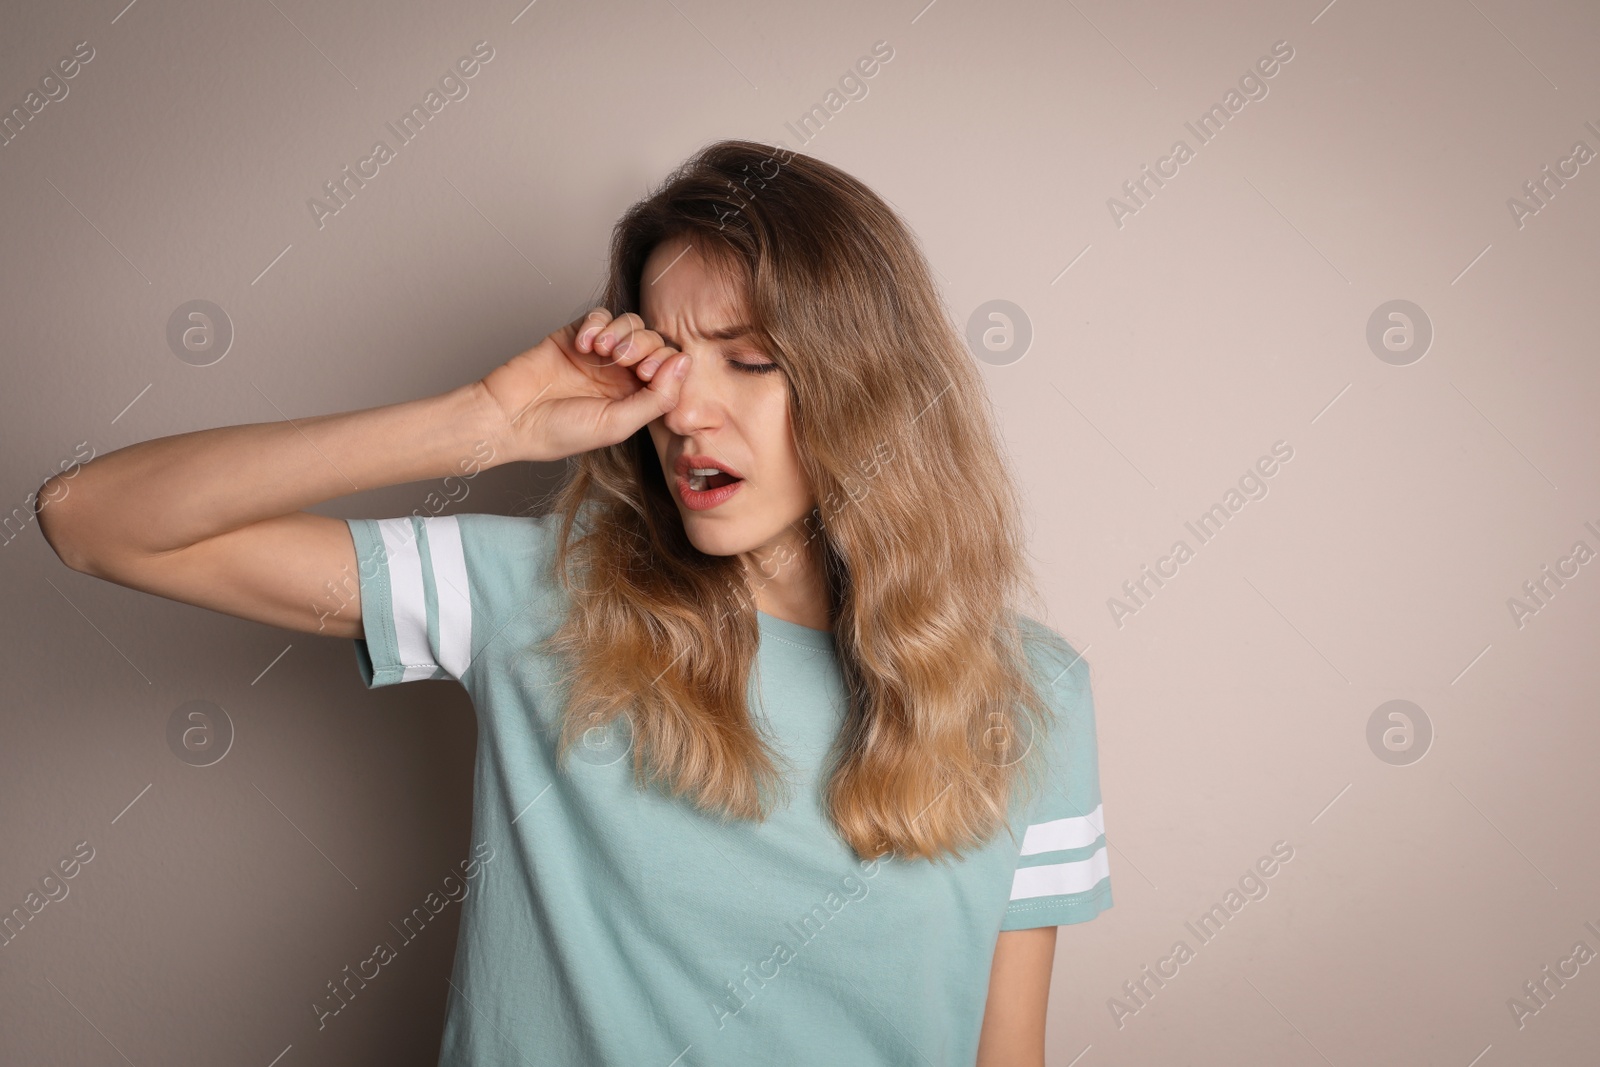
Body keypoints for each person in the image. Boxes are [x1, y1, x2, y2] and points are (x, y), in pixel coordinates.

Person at [38, 139, 1112, 1066]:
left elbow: (1004, 1049)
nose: (685, 409)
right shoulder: (536, 595)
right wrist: (483, 422)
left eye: (747, 360)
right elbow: (93, 519)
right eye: (666, 357)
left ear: (865, 383)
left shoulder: (1036, 691)